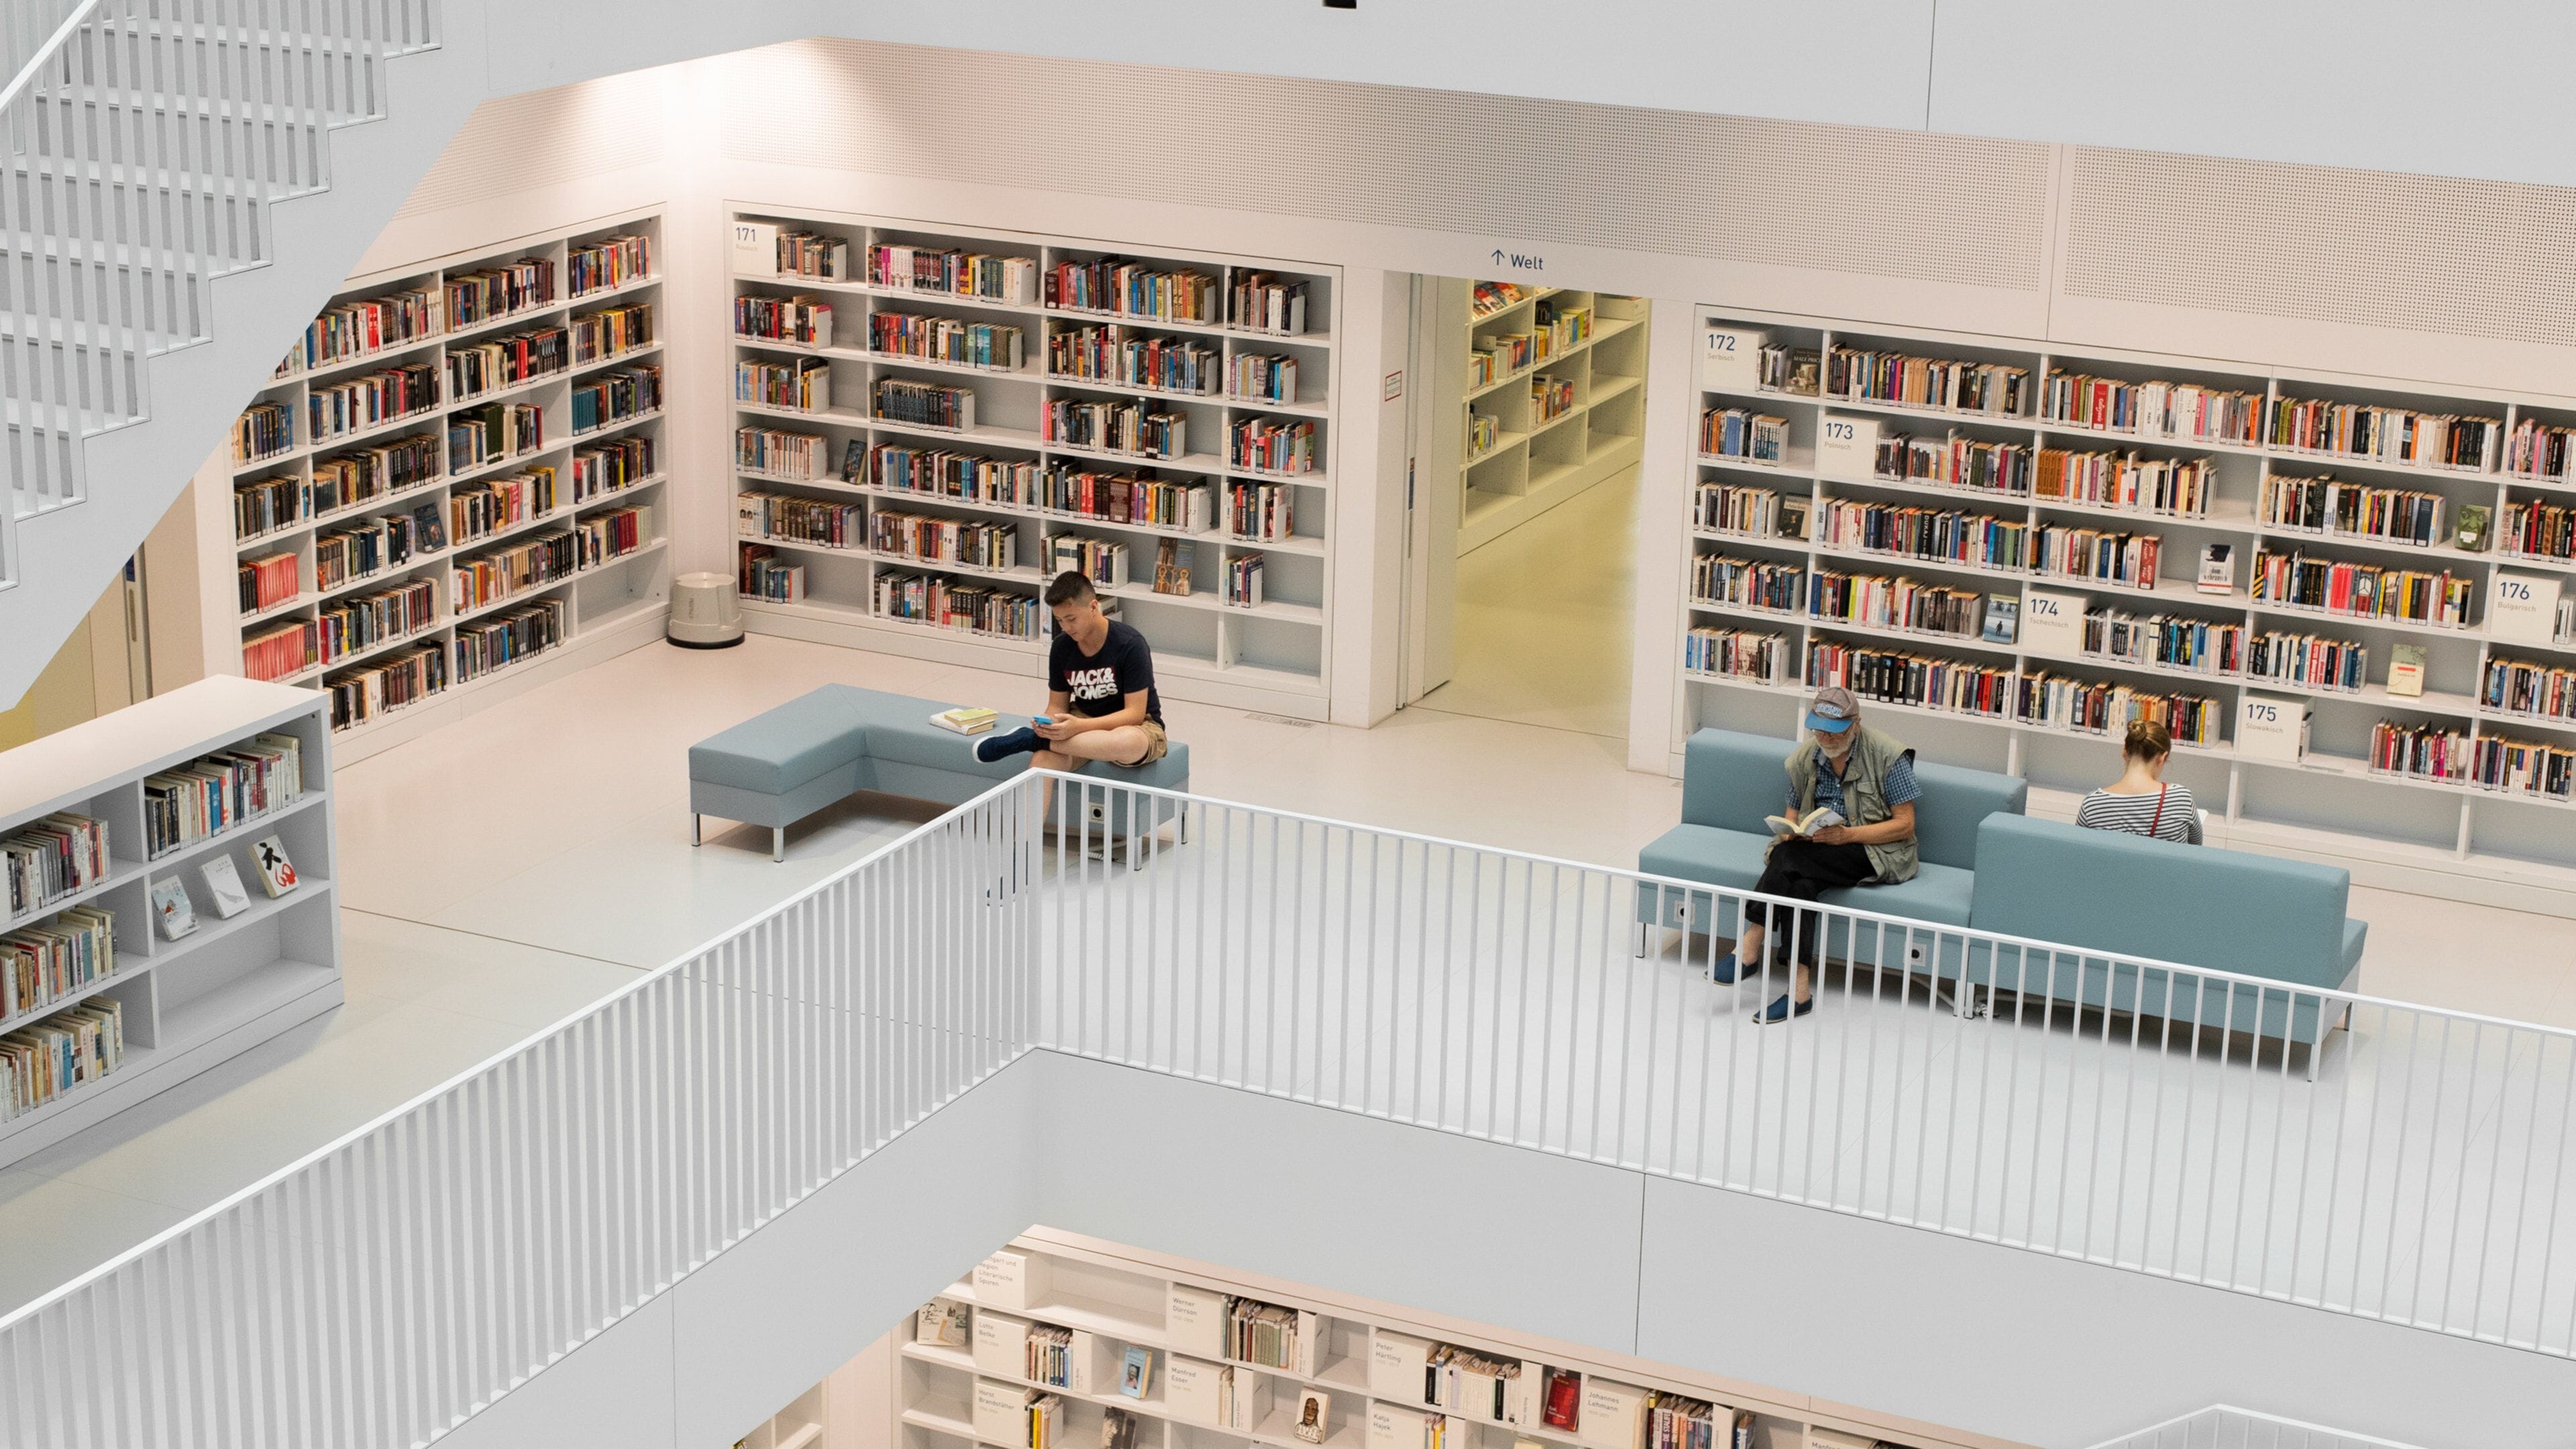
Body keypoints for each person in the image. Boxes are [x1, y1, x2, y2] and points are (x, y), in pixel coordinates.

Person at [1715, 685, 1920, 1024]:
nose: (1824, 737)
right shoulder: (1804, 759)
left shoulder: (1888, 756)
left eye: (1834, 730)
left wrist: (1847, 835)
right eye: (1818, 729)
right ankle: (1799, 993)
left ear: (1856, 723)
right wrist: (1792, 832)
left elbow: (1905, 825)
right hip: (1819, 850)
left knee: (1788, 857)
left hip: (1874, 849)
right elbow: (1791, 818)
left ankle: (1751, 943)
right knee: (1800, 885)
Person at [970, 571, 1169, 778]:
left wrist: (1079, 727)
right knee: (1042, 761)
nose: (1066, 627)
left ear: (1094, 607)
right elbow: (1057, 706)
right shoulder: (1061, 646)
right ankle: (1039, 742)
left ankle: (1030, 740)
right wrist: (1048, 723)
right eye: (1060, 620)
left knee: (1128, 742)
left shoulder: (1130, 644)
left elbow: (1134, 714)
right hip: (1081, 720)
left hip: (1135, 725)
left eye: (1071, 619)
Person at [2076, 716, 2202, 844]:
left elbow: (2079, 850)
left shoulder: (2092, 804)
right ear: (2162, 758)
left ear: (2124, 751)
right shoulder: (2181, 799)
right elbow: (2196, 847)